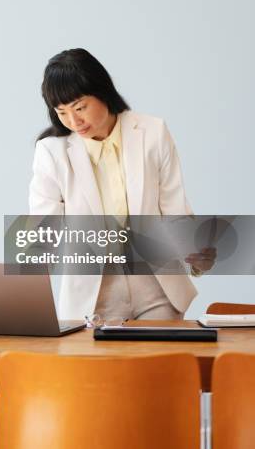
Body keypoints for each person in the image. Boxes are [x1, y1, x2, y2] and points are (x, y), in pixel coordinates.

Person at [29, 48, 215, 321]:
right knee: (99, 365)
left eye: (80, 108)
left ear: (103, 92)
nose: (74, 121)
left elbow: (174, 212)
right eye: (62, 112)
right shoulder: (51, 152)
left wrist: (195, 254)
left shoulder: (152, 133)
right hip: (93, 295)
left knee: (157, 363)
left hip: (156, 286)